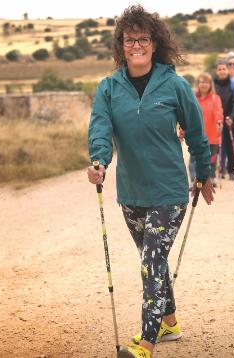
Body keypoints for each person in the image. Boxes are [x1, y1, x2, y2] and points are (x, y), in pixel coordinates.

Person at [86, 5, 214, 358]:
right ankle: (169, 321)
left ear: (155, 43)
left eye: (143, 38)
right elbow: (100, 129)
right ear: (121, 45)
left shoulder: (174, 85)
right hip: (131, 192)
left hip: (170, 191)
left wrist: (203, 173)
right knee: (152, 259)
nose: (137, 45)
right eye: (130, 39)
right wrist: (98, 161)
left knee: (151, 262)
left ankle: (146, 341)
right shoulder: (109, 88)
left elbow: (197, 133)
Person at [188, 72, 223, 187]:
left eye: (207, 82)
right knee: (194, 159)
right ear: (198, 84)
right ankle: (194, 180)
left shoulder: (215, 98)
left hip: (212, 134)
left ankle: (211, 178)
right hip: (197, 134)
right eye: (202, 82)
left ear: (210, 85)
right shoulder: (193, 98)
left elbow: (218, 112)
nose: (204, 85)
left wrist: (219, 122)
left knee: (212, 159)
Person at [213, 59, 234, 180]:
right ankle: (213, 172)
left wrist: (232, 117)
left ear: (227, 70)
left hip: (229, 120)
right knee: (214, 147)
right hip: (214, 121)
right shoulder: (212, 84)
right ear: (216, 71)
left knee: (231, 147)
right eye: (219, 69)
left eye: (224, 69)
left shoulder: (233, 85)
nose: (222, 71)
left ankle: (231, 171)